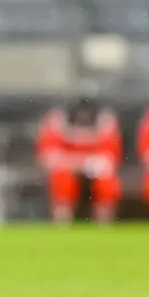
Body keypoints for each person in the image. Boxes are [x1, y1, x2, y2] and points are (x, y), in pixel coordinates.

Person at [36, 96, 122, 224]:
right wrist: (79, 162)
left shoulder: (105, 122)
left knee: (107, 183)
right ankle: (62, 223)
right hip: (66, 168)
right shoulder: (56, 122)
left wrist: (85, 163)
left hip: (94, 169)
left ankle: (103, 224)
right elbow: (49, 158)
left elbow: (109, 159)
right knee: (62, 181)